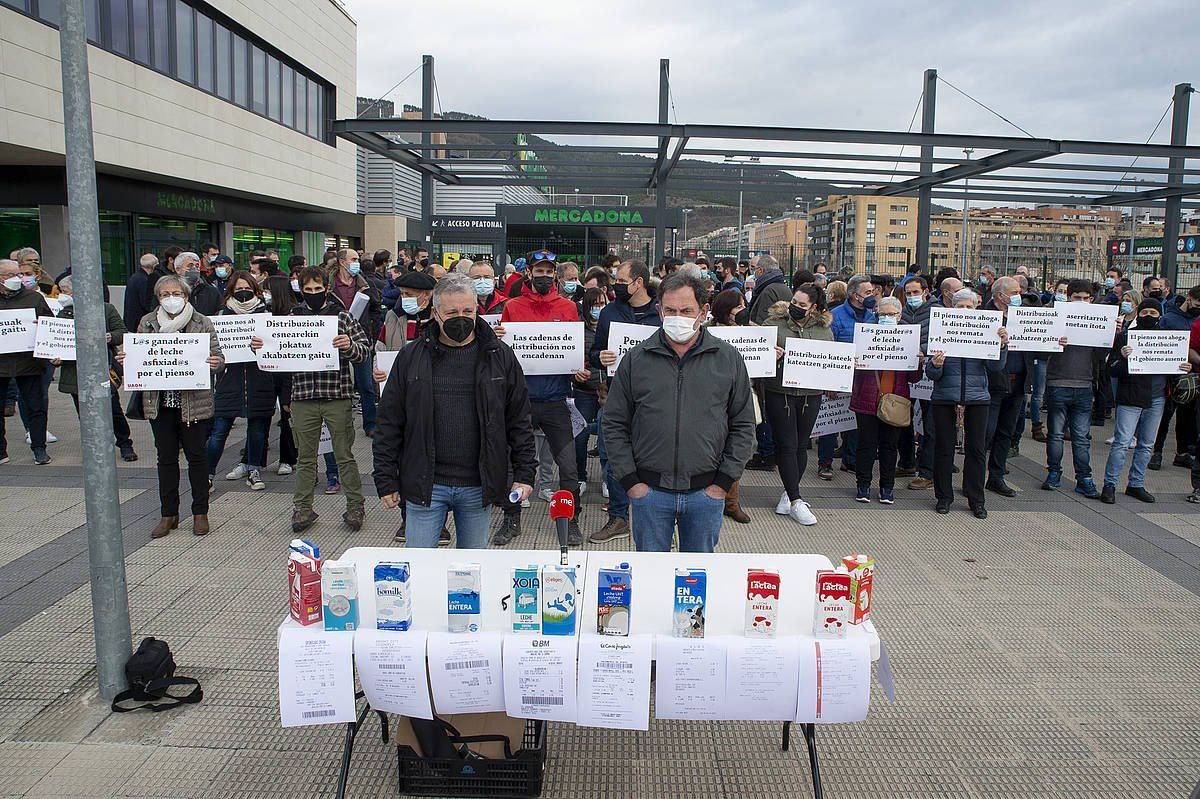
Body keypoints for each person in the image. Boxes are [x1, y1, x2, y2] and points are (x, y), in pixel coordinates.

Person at [373, 274, 536, 548]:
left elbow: (518, 418)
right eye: (452, 312)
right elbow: (389, 421)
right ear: (435, 313)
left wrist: (524, 474)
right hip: (426, 483)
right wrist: (385, 478)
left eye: (468, 311)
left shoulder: (500, 356)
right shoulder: (411, 357)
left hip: (477, 485)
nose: (461, 318)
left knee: (471, 573)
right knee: (420, 569)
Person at [602, 271, 755, 552]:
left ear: (704, 311)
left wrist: (722, 483)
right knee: (651, 577)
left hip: (706, 493)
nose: (677, 317)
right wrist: (631, 482)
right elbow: (613, 424)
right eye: (670, 310)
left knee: (695, 581)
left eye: (686, 311)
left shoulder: (728, 359)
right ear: (659, 311)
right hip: (649, 493)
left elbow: (744, 426)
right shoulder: (636, 360)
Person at [254, 267, 370, 534]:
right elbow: (276, 357)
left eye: (318, 289)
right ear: (301, 291)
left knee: (344, 454)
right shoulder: (291, 318)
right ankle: (303, 507)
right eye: (309, 290)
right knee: (305, 457)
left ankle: (355, 505)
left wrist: (349, 346)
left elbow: (364, 351)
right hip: (303, 396)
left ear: (327, 289)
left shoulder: (342, 318)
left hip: (336, 395)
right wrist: (262, 349)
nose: (314, 294)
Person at [117, 274, 223, 537]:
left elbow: (219, 356)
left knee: (196, 458)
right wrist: (128, 360)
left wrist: (215, 363)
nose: (171, 299)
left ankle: (200, 512)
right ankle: (169, 514)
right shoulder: (148, 323)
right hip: (160, 403)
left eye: (176, 293)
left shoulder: (201, 322)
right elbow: (140, 355)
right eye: (165, 294)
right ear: (158, 298)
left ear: (186, 296)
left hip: (193, 404)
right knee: (165, 458)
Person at [494, 251, 584, 546]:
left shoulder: (568, 307)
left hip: (557, 399)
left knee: (569, 466)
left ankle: (570, 521)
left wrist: (578, 368)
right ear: (529, 273)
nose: (544, 275)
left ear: (554, 274)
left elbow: (572, 350)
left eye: (549, 271)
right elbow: (503, 352)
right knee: (514, 462)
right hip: (522, 400)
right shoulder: (513, 306)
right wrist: (499, 338)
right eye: (539, 270)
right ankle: (511, 517)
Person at [586, 259, 660, 545]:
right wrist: (600, 358)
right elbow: (595, 353)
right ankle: (618, 517)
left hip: (653, 398)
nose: (615, 285)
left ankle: (651, 511)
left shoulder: (660, 312)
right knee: (611, 457)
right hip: (617, 396)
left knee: (651, 457)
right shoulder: (609, 313)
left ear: (638, 282)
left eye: (620, 280)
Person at [925, 288, 1008, 518]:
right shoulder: (942, 330)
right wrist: (937, 365)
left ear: (976, 309)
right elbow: (932, 374)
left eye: (969, 307)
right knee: (944, 448)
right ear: (952, 308)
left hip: (977, 397)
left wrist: (1001, 345)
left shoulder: (986, 331)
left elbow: (995, 368)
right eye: (960, 306)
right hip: (944, 397)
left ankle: (976, 499)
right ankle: (943, 497)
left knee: (977, 449)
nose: (964, 310)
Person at [1101, 299, 1192, 504]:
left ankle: (1136, 484)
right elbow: (1110, 370)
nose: (1149, 316)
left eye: (1153, 312)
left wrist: (1183, 368)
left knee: (1146, 445)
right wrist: (1123, 357)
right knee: (1122, 443)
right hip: (1131, 397)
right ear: (1138, 314)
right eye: (1144, 312)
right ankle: (1110, 484)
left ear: (1160, 315)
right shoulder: (1125, 337)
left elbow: (1174, 369)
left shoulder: (1169, 339)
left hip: (1158, 398)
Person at [761, 284, 833, 524]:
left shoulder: (824, 330)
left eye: (802, 305)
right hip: (779, 391)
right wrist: (770, 354)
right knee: (787, 445)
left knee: (802, 445)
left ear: (814, 308)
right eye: (794, 301)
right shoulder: (773, 324)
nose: (796, 307)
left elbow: (830, 359)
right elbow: (758, 354)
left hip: (810, 393)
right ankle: (795, 500)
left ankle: (788, 492)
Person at [50, 276, 137, 462]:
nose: (62, 295)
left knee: (113, 409)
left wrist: (109, 336)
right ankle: (94, 447)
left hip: (102, 369)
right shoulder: (63, 313)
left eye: (65, 291)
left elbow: (122, 332)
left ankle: (124, 442)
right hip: (75, 372)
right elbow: (56, 340)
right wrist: (55, 356)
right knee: (84, 413)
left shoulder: (105, 309)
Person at [206, 271, 274, 491]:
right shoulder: (222, 316)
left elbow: (275, 348)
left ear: (255, 291)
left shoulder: (266, 315)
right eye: (238, 289)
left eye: (247, 288)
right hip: (229, 380)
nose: (243, 293)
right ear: (231, 292)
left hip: (259, 380)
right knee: (219, 431)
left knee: (256, 429)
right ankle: (207, 473)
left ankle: (253, 469)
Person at [850, 296, 921, 504]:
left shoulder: (908, 339)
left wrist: (917, 361)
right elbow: (856, 373)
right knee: (866, 446)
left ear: (900, 316)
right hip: (867, 399)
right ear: (876, 316)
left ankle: (887, 488)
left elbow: (915, 378)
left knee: (890, 446)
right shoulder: (865, 336)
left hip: (895, 402)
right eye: (883, 314)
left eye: (891, 314)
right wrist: (854, 361)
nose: (887, 318)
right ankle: (863, 486)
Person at [1042, 279, 1104, 497]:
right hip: (1059, 383)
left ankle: (1084, 478)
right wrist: (1054, 343)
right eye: (1076, 298)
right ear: (1068, 298)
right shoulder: (1056, 318)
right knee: (1056, 435)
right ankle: (1054, 473)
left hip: (1085, 385)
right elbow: (1039, 352)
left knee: (1080, 436)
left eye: (1085, 298)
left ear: (1091, 300)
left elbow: (1103, 357)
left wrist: (1112, 335)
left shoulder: (1098, 320)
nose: (1081, 302)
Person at [818, 275, 877, 479]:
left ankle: (849, 460)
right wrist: (828, 383)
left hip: (862, 379)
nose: (872, 296)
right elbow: (828, 349)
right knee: (831, 421)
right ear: (855, 295)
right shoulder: (835, 316)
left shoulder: (872, 316)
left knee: (855, 422)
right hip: (838, 376)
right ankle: (825, 462)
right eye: (868, 292)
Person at [0, 259, 54, 464]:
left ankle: (39, 448)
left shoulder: (33, 298)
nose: (18, 279)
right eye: (11, 275)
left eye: (19, 275)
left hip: (29, 363)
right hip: (2, 363)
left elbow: (49, 325)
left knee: (35, 406)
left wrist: (41, 326)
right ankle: (0, 451)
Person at [982, 277, 1032, 497]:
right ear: (999, 295)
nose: (1018, 296)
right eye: (1014, 292)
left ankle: (996, 476)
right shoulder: (985, 316)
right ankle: (972, 478)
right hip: (993, 383)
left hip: (1018, 381)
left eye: (1019, 292)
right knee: (985, 433)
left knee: (1005, 432)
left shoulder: (1024, 316)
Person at [706, 288, 752, 524]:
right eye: (738, 306)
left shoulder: (752, 332)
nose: (743, 311)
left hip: (741, 396)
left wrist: (768, 353)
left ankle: (732, 502)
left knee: (736, 447)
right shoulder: (709, 333)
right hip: (713, 397)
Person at [328, 248, 382, 437]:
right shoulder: (329, 285)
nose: (356, 263)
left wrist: (371, 332)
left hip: (361, 339)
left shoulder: (364, 284)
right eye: (353, 259)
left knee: (366, 385)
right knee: (338, 385)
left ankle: (370, 424)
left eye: (357, 259)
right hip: (335, 340)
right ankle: (339, 425)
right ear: (342, 262)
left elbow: (376, 309)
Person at [1151, 285, 1200, 470]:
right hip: (1170, 374)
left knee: (1186, 416)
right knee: (1165, 415)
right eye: (1197, 303)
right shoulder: (1169, 319)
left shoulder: (1197, 320)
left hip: (1191, 374)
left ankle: (1182, 452)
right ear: (1189, 298)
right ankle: (1157, 452)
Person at [901, 275, 937, 491]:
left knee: (928, 425)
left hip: (929, 376)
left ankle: (926, 472)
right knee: (903, 419)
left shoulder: (937, 312)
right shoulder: (903, 313)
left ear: (925, 292)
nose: (912, 296)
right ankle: (906, 463)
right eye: (908, 293)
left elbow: (941, 338)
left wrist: (922, 348)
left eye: (915, 292)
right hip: (907, 375)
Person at [573, 286, 607, 504]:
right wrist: (575, 373)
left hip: (609, 392)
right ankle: (580, 476)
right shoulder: (577, 328)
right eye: (594, 305)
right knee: (580, 435)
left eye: (602, 304)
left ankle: (607, 478)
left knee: (607, 437)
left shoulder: (611, 326)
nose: (598, 309)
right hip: (584, 390)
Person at [746, 254, 791, 325]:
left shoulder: (768, 291)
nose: (754, 272)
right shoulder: (784, 287)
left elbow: (762, 320)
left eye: (755, 269)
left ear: (760, 270)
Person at [124, 253, 160, 332]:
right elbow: (146, 303)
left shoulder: (135, 277)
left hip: (131, 319)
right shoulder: (145, 280)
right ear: (154, 266)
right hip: (139, 320)